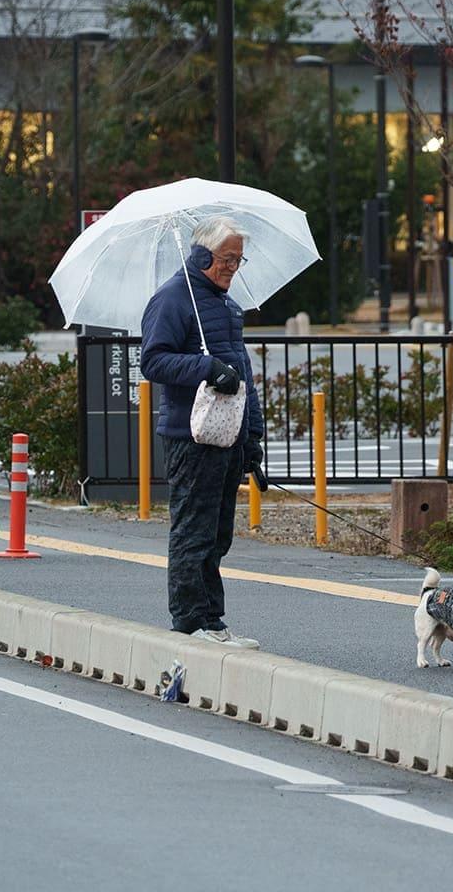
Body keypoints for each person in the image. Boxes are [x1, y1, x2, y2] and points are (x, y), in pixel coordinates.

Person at [139, 216, 266, 649]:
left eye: (238, 259)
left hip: (227, 435)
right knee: (193, 531)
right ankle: (191, 623)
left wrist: (253, 439)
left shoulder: (228, 306)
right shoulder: (174, 299)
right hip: (189, 435)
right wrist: (205, 368)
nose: (233, 267)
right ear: (201, 255)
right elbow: (153, 361)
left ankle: (212, 620)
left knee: (218, 534)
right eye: (227, 259)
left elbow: (244, 372)